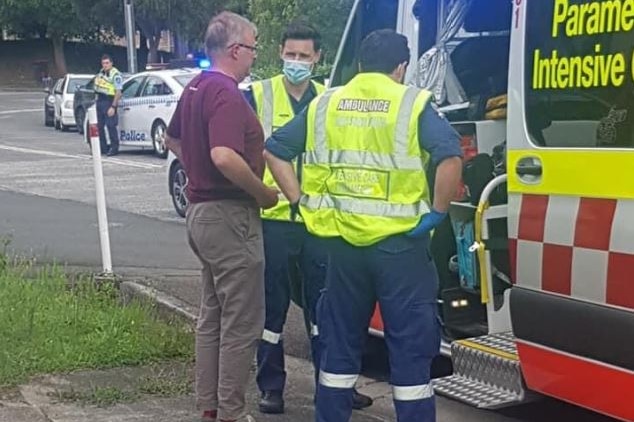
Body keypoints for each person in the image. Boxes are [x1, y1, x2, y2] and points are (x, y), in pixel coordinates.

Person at [264, 29, 463, 422]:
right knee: (409, 351)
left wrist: (301, 202)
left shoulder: (327, 103)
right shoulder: (411, 103)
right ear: (401, 67)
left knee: (338, 347)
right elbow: (450, 158)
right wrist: (437, 212)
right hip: (401, 249)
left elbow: (275, 151)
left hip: (341, 248)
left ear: (358, 65)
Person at [246, 21, 373, 414]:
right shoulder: (256, 95)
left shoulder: (331, 101)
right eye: (290, 54)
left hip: (320, 221)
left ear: (318, 58)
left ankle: (333, 384)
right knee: (272, 311)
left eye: (304, 56)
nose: (296, 62)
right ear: (280, 53)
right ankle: (271, 387)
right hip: (276, 220)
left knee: (328, 310)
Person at [165, 11, 278, 422]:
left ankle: (209, 408)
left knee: (212, 317)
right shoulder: (227, 94)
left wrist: (196, 171)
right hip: (231, 217)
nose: (254, 55)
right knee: (241, 324)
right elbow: (225, 155)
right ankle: (231, 412)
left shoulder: (195, 87)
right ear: (235, 50)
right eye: (253, 46)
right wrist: (263, 193)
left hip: (200, 214)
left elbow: (172, 137)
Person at [93, 54, 123, 156]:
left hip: (110, 101)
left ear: (111, 63)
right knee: (99, 126)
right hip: (100, 101)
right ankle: (103, 148)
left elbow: (118, 92)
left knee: (111, 126)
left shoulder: (116, 75)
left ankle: (114, 148)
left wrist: (113, 107)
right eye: (103, 63)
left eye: (107, 63)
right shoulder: (101, 73)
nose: (105, 65)